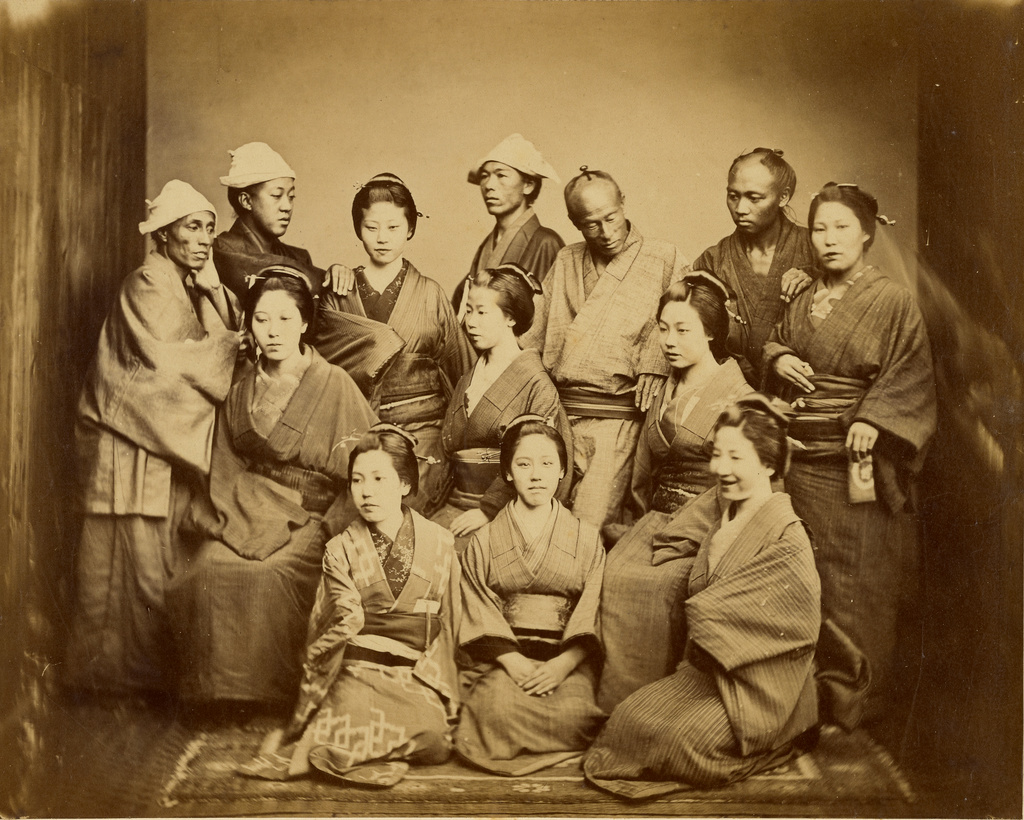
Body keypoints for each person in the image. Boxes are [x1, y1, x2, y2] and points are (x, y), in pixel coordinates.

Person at [584, 396, 821, 799]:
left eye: (736, 458)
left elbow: (797, 620)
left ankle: (781, 739)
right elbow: (678, 539)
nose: (721, 469)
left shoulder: (786, 532)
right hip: (708, 671)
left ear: (767, 464)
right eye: (716, 455)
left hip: (760, 684)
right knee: (625, 723)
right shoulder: (724, 513)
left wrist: (708, 614)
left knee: (683, 744)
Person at [763, 182, 936, 722]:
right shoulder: (803, 295)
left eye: (842, 228)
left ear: (866, 234)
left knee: (852, 580)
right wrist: (780, 357)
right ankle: (803, 694)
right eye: (819, 228)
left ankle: (849, 699)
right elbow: (774, 339)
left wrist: (872, 418)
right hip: (800, 453)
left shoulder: (891, 300)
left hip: (853, 458)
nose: (829, 239)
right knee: (800, 574)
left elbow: (910, 370)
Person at [165, 267, 377, 705]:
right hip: (247, 503)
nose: (273, 332)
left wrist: (332, 526)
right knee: (207, 567)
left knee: (268, 573)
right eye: (262, 320)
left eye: (285, 319)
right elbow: (224, 459)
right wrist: (228, 507)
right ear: (249, 323)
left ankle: (265, 693)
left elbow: (365, 464)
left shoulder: (333, 382)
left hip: (312, 512)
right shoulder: (242, 384)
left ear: (304, 322)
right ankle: (216, 691)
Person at [64, 180, 240, 694]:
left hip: (149, 437)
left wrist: (210, 289)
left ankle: (128, 675)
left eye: (209, 227)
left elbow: (214, 335)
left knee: (149, 555)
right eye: (192, 227)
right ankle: (110, 677)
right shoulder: (148, 282)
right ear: (164, 235)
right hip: (128, 437)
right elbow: (167, 366)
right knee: (125, 555)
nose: (204, 238)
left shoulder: (181, 283)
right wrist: (230, 348)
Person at [240, 425, 461, 787]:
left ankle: (364, 740)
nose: (366, 491)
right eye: (357, 480)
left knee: (437, 740)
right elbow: (334, 618)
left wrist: (437, 681)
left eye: (378, 478)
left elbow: (450, 620)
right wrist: (355, 618)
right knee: (337, 736)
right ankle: (325, 731)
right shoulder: (340, 548)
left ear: (405, 484)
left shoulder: (441, 542)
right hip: (358, 669)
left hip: (415, 672)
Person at [597, 273, 753, 711]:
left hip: (707, 521)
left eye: (683, 330)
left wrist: (693, 528)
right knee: (611, 573)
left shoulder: (738, 395)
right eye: (663, 328)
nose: (669, 340)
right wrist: (634, 518)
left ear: (711, 332)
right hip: (657, 518)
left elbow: (741, 484)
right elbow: (645, 470)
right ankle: (618, 704)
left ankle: (655, 706)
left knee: (657, 583)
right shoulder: (664, 388)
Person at [523, 167, 688, 531]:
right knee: (541, 522)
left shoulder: (663, 257)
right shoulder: (567, 259)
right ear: (574, 222)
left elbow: (689, 321)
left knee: (587, 528)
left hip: (618, 422)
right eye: (591, 224)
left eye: (611, 217)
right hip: (559, 418)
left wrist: (656, 360)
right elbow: (532, 338)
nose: (607, 232)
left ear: (623, 203)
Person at [315, 174, 474, 514]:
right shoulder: (340, 291)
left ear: (411, 228)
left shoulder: (430, 293)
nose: (382, 239)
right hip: (356, 431)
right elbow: (319, 364)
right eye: (371, 228)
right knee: (341, 517)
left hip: (423, 435)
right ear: (358, 229)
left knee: (406, 507)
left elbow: (463, 372)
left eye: (393, 228)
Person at [455, 417, 605, 775]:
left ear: (562, 471)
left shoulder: (585, 536)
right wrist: (512, 662)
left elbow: (593, 608)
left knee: (577, 714)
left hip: (563, 659)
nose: (536, 475)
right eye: (524, 464)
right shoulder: (485, 539)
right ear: (507, 473)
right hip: (507, 658)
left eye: (547, 464)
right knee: (494, 709)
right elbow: (475, 604)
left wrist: (563, 665)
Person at [214, 142, 403, 395]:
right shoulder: (225, 250)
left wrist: (336, 273)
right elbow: (280, 275)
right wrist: (326, 275)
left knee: (374, 340)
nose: (286, 206)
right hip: (245, 378)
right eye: (276, 195)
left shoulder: (297, 256)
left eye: (291, 196)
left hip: (295, 372)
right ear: (246, 200)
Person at [434, 263, 573, 553]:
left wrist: (488, 509)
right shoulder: (469, 377)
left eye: (482, 312)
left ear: (510, 318)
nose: (471, 322)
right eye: (469, 310)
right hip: (455, 501)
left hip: (507, 508)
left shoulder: (536, 384)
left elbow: (541, 466)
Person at [691, 148, 816, 382]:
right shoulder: (713, 260)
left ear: (783, 197)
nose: (740, 209)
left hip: (803, 390)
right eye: (733, 196)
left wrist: (816, 277)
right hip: (733, 393)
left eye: (754, 198)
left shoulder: (814, 249)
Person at [451, 133, 564, 314]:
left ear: (528, 185)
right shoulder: (487, 245)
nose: (489, 185)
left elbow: (549, 314)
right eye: (485, 176)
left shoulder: (546, 242)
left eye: (501, 175)